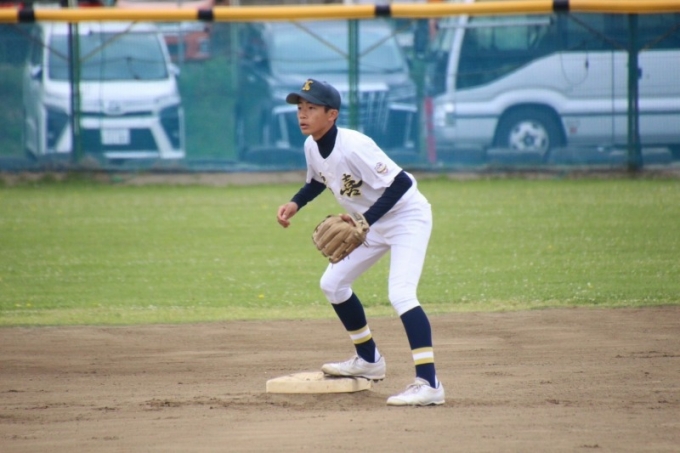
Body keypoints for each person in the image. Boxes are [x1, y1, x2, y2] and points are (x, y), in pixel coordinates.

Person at [276, 78, 444, 406]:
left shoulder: (354, 145)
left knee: (401, 294)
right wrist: (295, 203)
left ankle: (429, 383)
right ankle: (369, 360)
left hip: (406, 218)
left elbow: (401, 183)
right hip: (370, 225)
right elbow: (318, 180)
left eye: (311, 108)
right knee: (332, 283)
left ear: (332, 114)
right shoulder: (311, 145)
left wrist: (366, 220)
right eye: (300, 108)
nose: (303, 114)